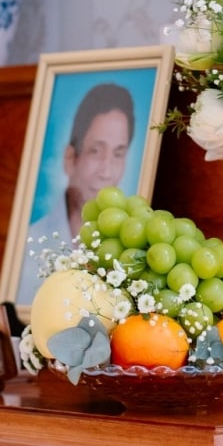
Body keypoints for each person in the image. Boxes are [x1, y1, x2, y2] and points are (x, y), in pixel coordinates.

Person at [17, 82, 136, 303]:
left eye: (118, 154)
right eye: (95, 151)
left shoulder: (134, 254)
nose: (106, 172)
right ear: (70, 158)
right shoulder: (27, 246)